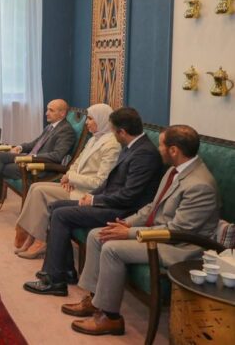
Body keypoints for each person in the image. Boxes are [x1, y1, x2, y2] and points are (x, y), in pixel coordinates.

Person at [61, 125, 219, 336]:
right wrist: (127, 223)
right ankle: (95, 299)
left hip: (180, 247)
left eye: (161, 145)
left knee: (112, 248)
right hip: (159, 233)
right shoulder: (174, 170)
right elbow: (153, 206)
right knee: (97, 234)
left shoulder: (200, 185)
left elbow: (178, 230)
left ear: (174, 150)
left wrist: (128, 233)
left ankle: (110, 318)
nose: (158, 149)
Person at [23, 107, 164, 296]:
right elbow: (109, 183)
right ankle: (65, 271)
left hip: (123, 211)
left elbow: (129, 196)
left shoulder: (144, 154)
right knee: (54, 207)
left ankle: (55, 280)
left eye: (113, 130)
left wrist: (95, 199)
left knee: (61, 215)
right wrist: (91, 196)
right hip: (112, 202)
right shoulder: (133, 147)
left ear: (122, 132)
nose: (112, 134)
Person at [14, 103, 121, 259]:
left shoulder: (112, 145)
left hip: (87, 193)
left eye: (90, 119)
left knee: (39, 191)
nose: (87, 122)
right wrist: (68, 177)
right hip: (74, 186)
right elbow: (76, 163)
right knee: (35, 187)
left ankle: (40, 240)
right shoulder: (94, 139)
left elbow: (101, 182)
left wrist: (71, 178)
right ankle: (32, 236)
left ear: (102, 119)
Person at [0, 99, 77, 220]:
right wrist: (20, 147)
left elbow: (57, 156)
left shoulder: (66, 131)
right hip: (29, 160)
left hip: (39, 167)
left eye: (51, 110)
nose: (46, 113)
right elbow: (35, 144)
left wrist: (31, 157)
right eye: (47, 109)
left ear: (62, 113)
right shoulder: (50, 127)